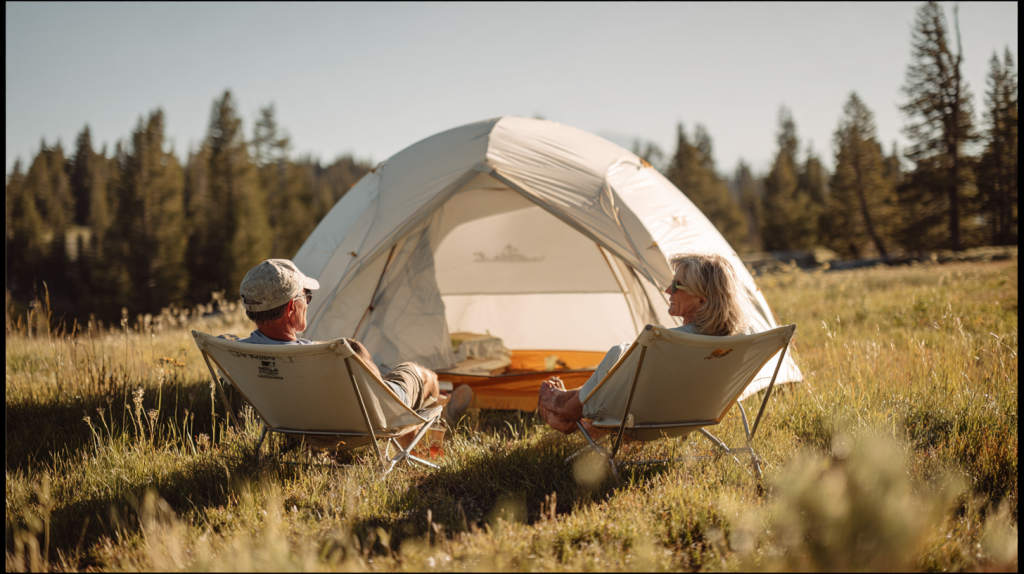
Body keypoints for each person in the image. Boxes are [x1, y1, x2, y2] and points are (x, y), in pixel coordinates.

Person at [235, 259, 473, 424]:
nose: (307, 302)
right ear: (290, 307)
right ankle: (445, 416)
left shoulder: (238, 353)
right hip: (366, 420)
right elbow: (377, 404)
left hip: (290, 422)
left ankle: (439, 407)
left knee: (381, 372)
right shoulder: (327, 355)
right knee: (419, 374)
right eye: (306, 296)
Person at [537, 252, 749, 436]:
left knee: (617, 355)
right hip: (694, 418)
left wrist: (566, 407)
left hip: (642, 421)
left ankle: (561, 407)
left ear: (701, 300)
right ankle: (565, 400)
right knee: (619, 371)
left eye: (676, 285)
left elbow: (629, 397)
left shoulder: (666, 345)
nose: (667, 290)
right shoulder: (736, 344)